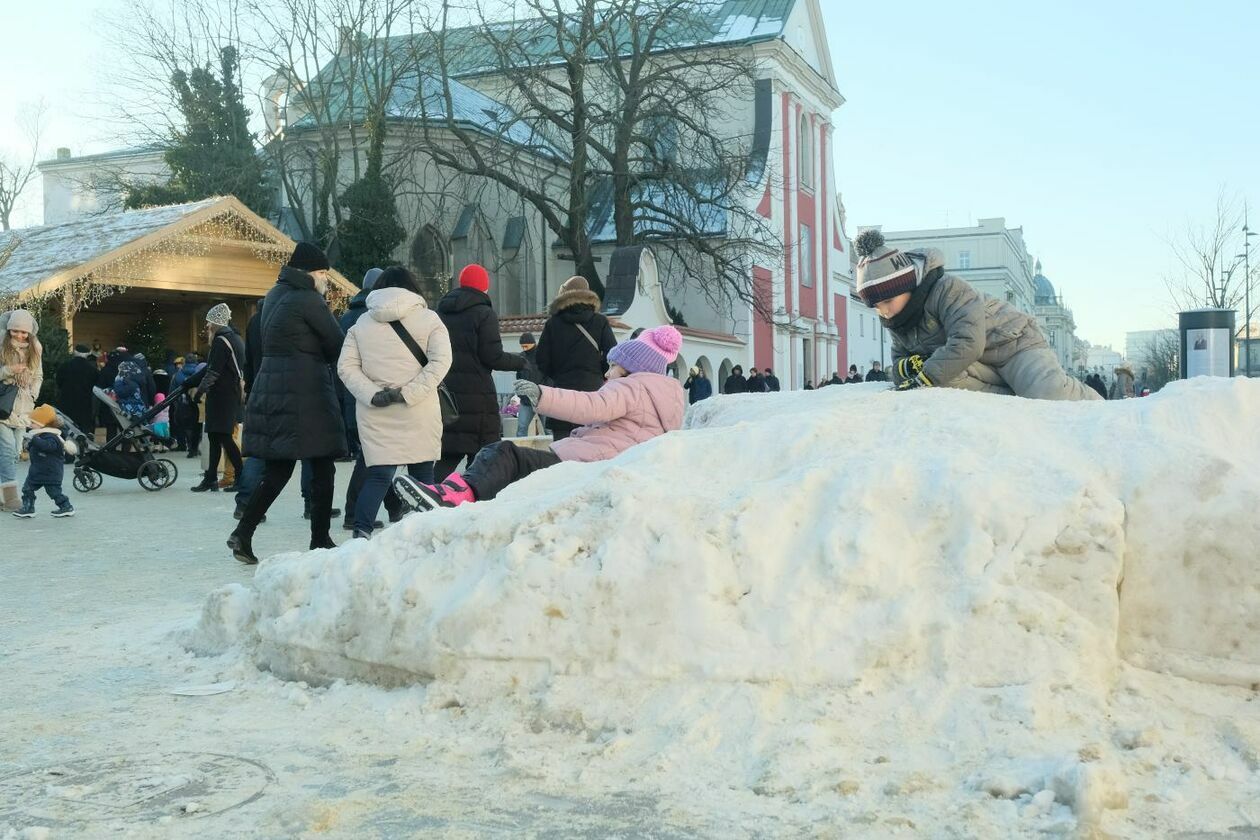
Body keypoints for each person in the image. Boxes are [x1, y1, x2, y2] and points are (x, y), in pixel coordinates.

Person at [394, 326, 685, 511]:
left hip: (582, 467)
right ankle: (462, 496)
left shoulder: (631, 388)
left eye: (614, 366)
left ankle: (454, 496)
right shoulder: (658, 396)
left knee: (504, 453)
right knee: (508, 461)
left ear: (632, 368)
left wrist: (542, 395)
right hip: (592, 464)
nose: (607, 374)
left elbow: (591, 405)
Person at [854, 230, 1101, 401]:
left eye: (887, 300)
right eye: (875, 306)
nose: (883, 311)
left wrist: (925, 375)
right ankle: (1015, 400)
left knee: (1047, 394)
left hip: (1014, 345)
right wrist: (906, 369)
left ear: (905, 285)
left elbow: (967, 342)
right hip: (976, 362)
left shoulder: (947, 289)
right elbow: (899, 361)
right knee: (947, 380)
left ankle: (1097, 404)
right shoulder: (898, 319)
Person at [229, 242, 347, 564]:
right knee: (322, 466)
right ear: (311, 271)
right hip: (305, 391)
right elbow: (337, 343)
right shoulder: (309, 298)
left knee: (278, 469)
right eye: (323, 272)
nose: (326, 279)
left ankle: (243, 532)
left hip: (274, 386)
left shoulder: (273, 296)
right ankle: (320, 539)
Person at [337, 266, 452, 538]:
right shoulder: (430, 319)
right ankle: (428, 534)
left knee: (378, 477)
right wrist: (409, 392)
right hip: (419, 409)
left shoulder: (361, 324)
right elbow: (441, 362)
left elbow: (346, 368)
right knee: (424, 474)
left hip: (376, 412)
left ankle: (361, 533)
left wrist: (375, 394)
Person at [434, 263, 525, 480]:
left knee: (448, 453)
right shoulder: (484, 313)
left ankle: (429, 494)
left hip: (447, 394)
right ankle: (471, 498)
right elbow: (492, 356)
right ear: (484, 287)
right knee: (481, 456)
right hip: (478, 395)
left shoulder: (440, 313)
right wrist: (520, 362)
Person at [535, 276, 617, 441]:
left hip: (562, 392)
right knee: (591, 446)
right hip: (593, 392)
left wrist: (558, 374)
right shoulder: (600, 321)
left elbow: (541, 359)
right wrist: (598, 373)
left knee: (562, 450)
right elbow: (613, 355)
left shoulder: (553, 323)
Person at [189, 304, 247, 493]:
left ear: (215, 323)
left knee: (223, 436)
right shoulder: (235, 338)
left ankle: (239, 476)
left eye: (208, 322)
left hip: (222, 396)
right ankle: (211, 477)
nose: (207, 326)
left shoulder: (221, 342)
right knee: (215, 436)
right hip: (229, 395)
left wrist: (198, 392)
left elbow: (213, 371)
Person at [0, 310, 43, 512]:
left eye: (24, 332)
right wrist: (9, 370)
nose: (19, 335)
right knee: (7, 449)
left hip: (24, 408)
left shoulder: (35, 349)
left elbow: (39, 376)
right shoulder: (1, 346)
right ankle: (11, 499)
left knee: (15, 451)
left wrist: (33, 394)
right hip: (2, 406)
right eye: (15, 331)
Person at [12, 404, 77, 519]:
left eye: (33, 423)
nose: (30, 425)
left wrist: (34, 440)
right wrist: (28, 444)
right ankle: (28, 507)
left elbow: (48, 447)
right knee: (27, 489)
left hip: (51, 472)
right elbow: (34, 448)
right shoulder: (39, 436)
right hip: (36, 471)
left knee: (54, 492)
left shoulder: (52, 437)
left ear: (42, 424)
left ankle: (66, 506)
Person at [56, 344, 99, 436]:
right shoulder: (92, 369)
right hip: (85, 402)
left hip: (66, 400)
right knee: (83, 428)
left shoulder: (65, 366)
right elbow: (95, 385)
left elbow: (59, 381)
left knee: (67, 425)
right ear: (88, 354)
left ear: (75, 352)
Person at [172, 354, 203, 457]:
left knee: (183, 425)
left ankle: (184, 445)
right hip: (197, 401)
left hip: (182, 403)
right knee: (196, 424)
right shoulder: (199, 371)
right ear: (196, 362)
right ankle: (194, 447)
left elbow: (172, 390)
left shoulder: (178, 374)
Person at [516, 332, 543, 436]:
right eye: (522, 346)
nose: (524, 348)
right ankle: (517, 451)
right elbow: (518, 376)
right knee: (521, 429)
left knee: (548, 429)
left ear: (533, 343)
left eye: (526, 346)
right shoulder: (521, 357)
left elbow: (549, 375)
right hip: (526, 400)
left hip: (543, 398)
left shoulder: (542, 355)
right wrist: (520, 393)